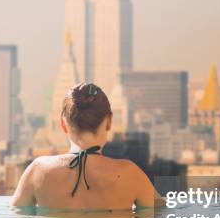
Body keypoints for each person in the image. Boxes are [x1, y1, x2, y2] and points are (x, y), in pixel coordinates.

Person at [12, 82, 156, 210]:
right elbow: (163, 214)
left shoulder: (38, 170)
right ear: (109, 121)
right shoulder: (130, 174)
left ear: (63, 124)